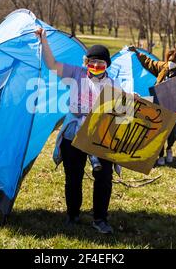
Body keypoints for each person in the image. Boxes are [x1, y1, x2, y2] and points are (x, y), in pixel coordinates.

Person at [36, 27, 117, 234]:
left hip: (100, 139)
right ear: (86, 62)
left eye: (101, 62)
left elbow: (121, 111)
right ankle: (73, 214)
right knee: (73, 177)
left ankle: (100, 218)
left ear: (107, 64)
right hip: (73, 136)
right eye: (92, 61)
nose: (96, 65)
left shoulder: (113, 84)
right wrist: (44, 39)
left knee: (104, 179)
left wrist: (131, 97)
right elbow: (52, 65)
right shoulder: (75, 73)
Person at [128, 46, 176, 166]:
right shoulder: (163, 67)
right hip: (159, 103)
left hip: (173, 106)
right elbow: (149, 62)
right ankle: (160, 155)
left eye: (174, 61)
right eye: (170, 60)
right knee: (158, 130)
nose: (171, 62)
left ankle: (169, 148)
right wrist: (137, 52)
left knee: (171, 131)